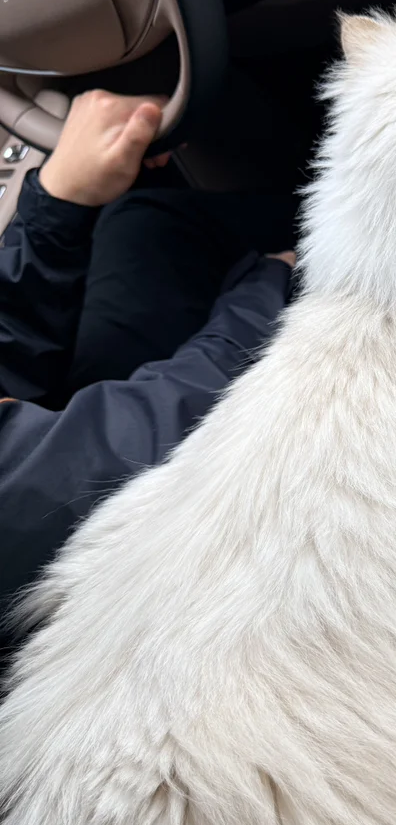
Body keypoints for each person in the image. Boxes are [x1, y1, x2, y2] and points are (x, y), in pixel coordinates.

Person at [0, 90, 298, 635]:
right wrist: (268, 288)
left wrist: (61, 202)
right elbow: (88, 474)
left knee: (143, 223)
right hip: (117, 597)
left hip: (50, 468)